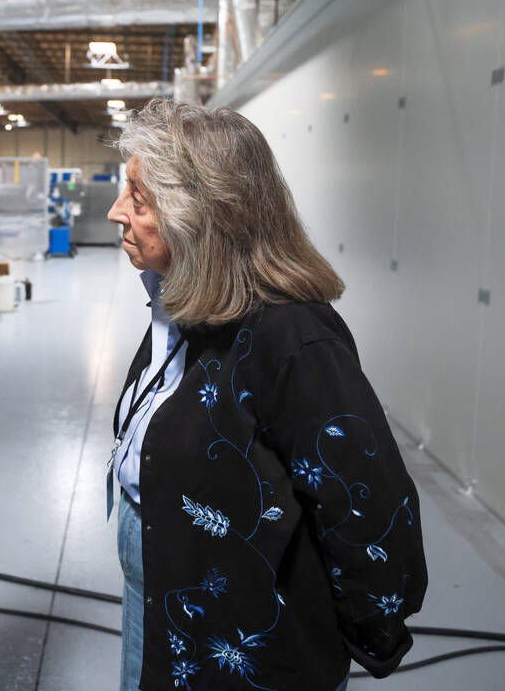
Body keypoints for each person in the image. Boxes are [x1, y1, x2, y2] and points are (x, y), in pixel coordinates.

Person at [106, 99, 426, 691]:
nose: (115, 212)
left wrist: (369, 629)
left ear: (200, 213)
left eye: (139, 198)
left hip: (241, 642)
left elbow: (368, 505)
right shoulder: (184, 304)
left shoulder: (294, 338)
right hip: (164, 605)